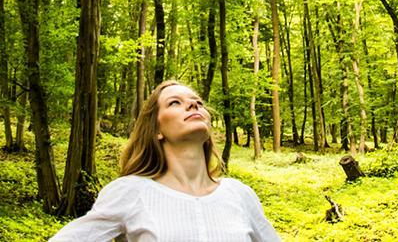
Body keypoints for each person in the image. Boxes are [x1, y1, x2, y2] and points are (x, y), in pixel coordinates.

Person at [50, 80, 280, 242]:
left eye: (197, 101)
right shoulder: (131, 192)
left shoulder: (239, 195)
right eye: (174, 103)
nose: (194, 105)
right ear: (156, 129)